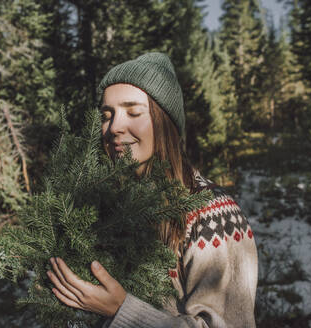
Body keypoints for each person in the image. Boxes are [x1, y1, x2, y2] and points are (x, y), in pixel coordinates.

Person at [46, 52, 258, 328]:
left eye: (133, 112)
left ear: (164, 121)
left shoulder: (213, 213)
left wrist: (122, 311)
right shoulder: (115, 207)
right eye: (106, 115)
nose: (114, 127)